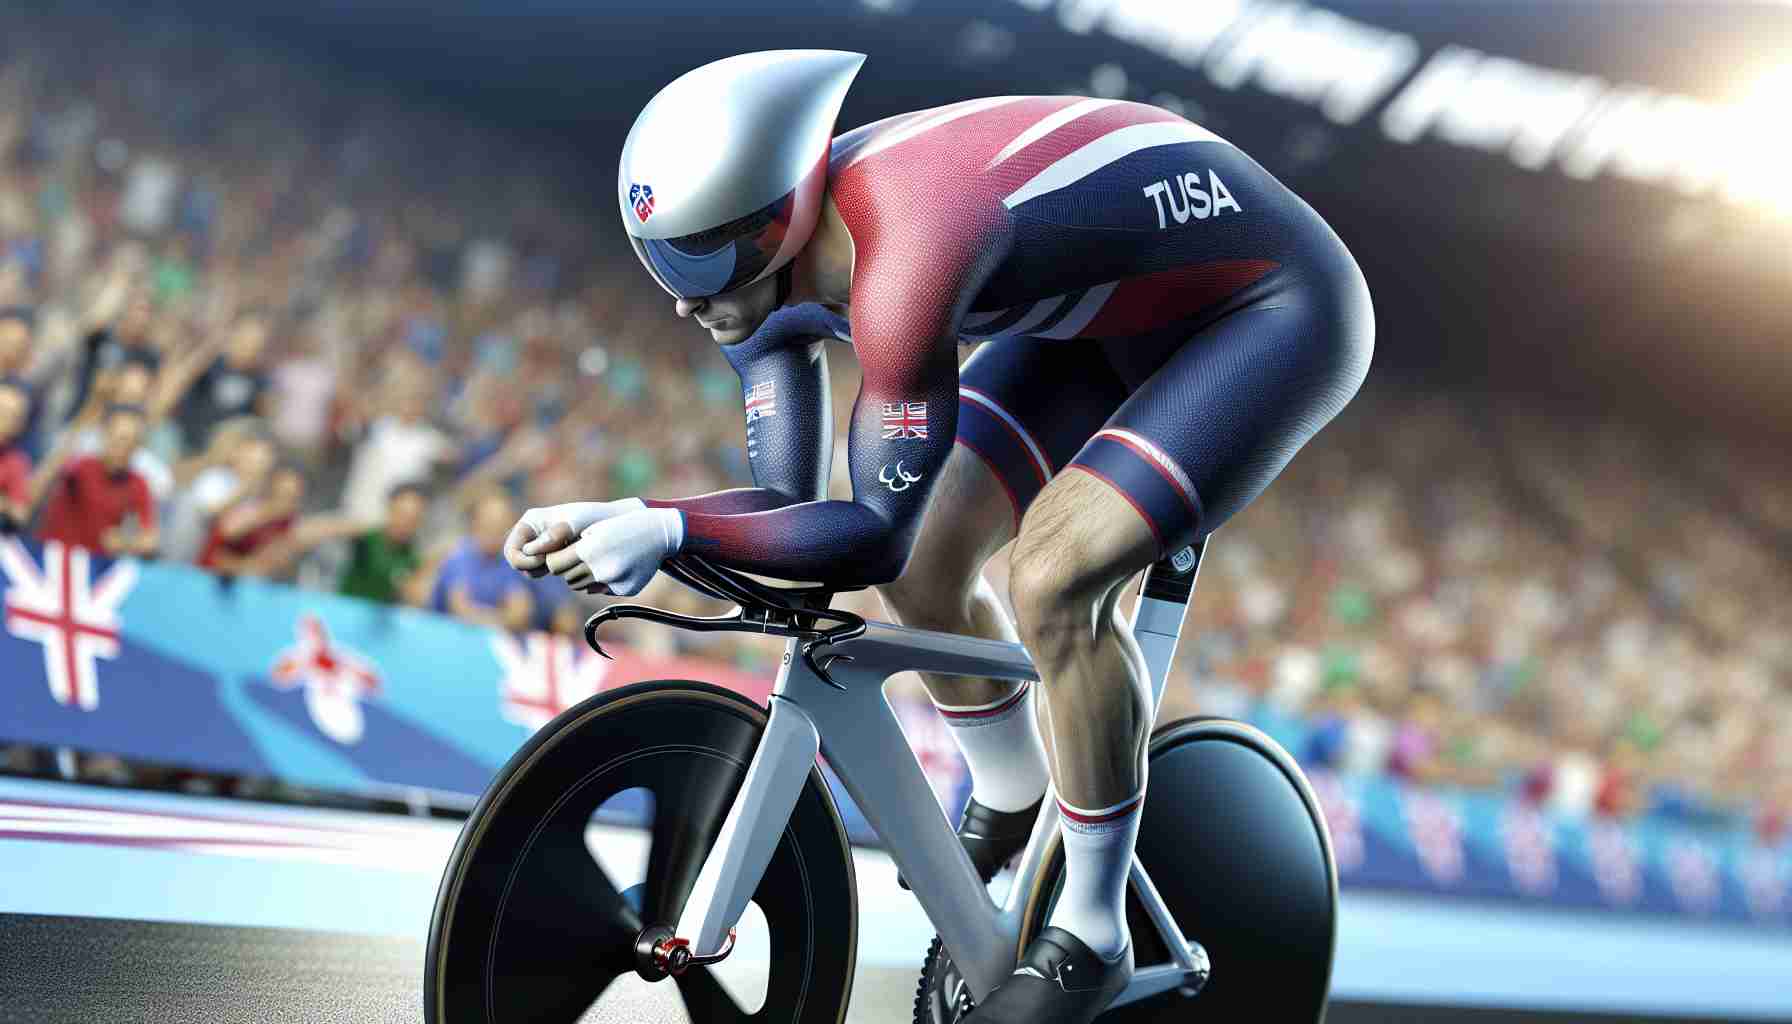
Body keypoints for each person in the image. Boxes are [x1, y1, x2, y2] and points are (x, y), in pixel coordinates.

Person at [509, 51, 1372, 1021]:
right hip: (1098, 317)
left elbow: (863, 537)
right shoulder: (756, 277)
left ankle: (1090, 927)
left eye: (696, 259)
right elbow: (790, 515)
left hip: (1266, 309)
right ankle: (1012, 787)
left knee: (1052, 579)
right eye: (657, 256)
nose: (678, 296)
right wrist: (630, 520)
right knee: (928, 565)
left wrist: (666, 526)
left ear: (779, 216)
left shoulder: (908, 250)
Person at [37, 403, 160, 557]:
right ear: (104, 435)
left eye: (132, 441)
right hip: (54, 557)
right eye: (119, 439)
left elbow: (150, 540)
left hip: (96, 566)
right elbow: (46, 477)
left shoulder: (138, 483)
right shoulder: (81, 467)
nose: (123, 447)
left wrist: (125, 542)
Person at [435, 488, 535, 632]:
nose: (495, 530)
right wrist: (500, 618)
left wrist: (483, 618)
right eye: (489, 523)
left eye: (501, 525)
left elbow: (519, 614)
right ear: (475, 523)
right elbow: (461, 611)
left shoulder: (509, 560)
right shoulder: (458, 556)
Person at [337, 482, 430, 605]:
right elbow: (319, 529)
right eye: (401, 514)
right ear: (390, 509)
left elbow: (418, 598)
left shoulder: (413, 557)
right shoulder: (368, 537)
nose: (405, 523)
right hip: (345, 608)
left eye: (413, 519)